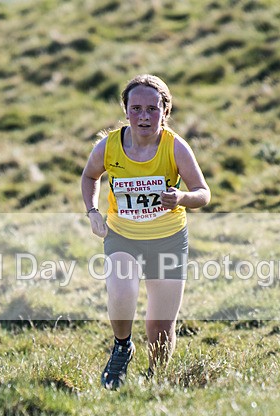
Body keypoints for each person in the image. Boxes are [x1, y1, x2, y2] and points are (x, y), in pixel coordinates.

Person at [80, 74, 211, 390]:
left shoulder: (175, 147)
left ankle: (156, 380)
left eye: (152, 109)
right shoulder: (109, 146)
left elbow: (203, 193)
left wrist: (181, 198)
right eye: (136, 108)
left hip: (167, 239)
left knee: (161, 327)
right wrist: (93, 212)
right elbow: (89, 177)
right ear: (125, 110)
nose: (144, 116)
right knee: (122, 293)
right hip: (123, 235)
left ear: (165, 112)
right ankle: (122, 347)